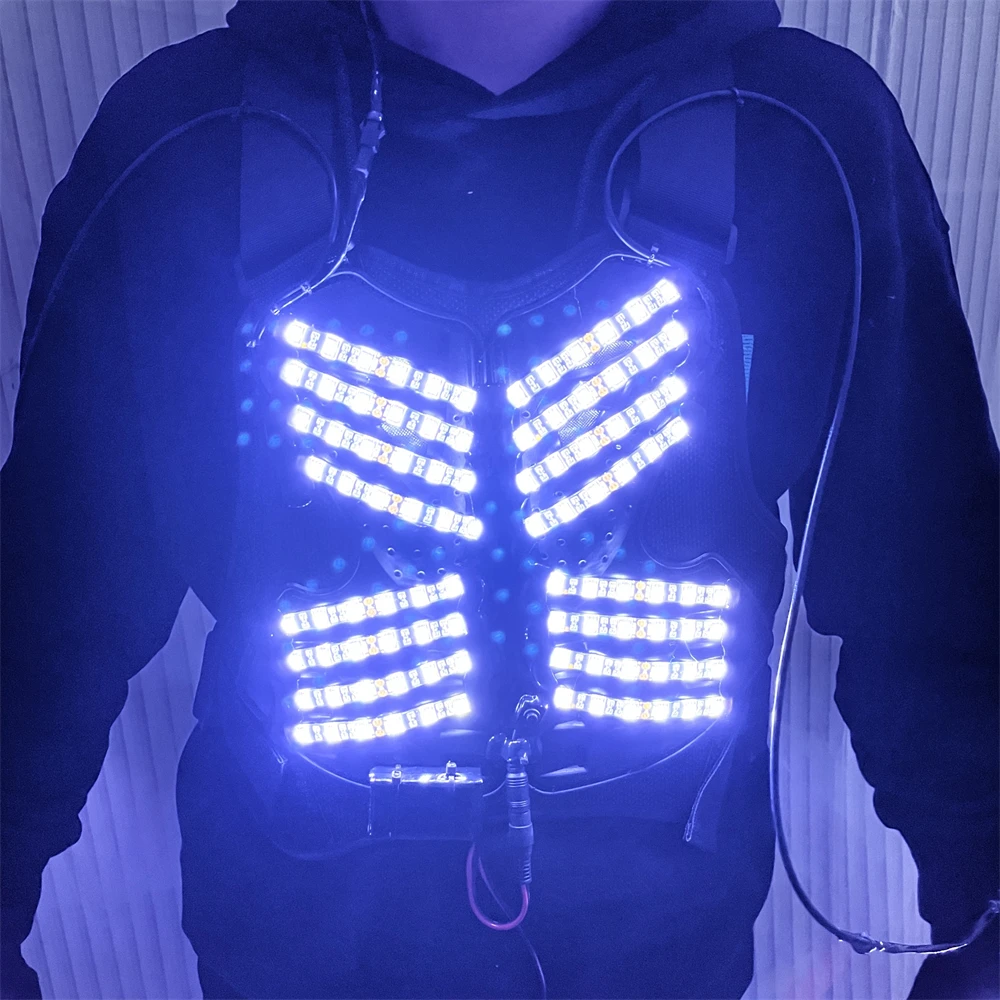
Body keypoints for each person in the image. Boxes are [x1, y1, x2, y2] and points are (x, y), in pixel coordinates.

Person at [2, 2, 997, 998]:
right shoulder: (178, 142)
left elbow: (927, 600)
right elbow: (49, 618)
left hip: (665, 944)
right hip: (290, 933)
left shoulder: (806, 133)